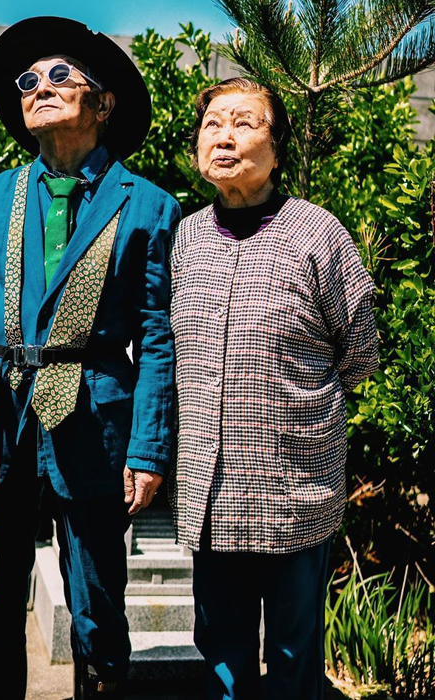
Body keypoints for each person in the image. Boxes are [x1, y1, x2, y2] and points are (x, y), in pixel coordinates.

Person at [0, 16, 179, 700]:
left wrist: (149, 448)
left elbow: (157, 336)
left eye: (60, 74)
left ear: (104, 102)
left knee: (97, 601)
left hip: (93, 416)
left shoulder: (148, 206)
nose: (39, 86)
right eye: (27, 80)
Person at [169, 78, 378, 700]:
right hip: (210, 491)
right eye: (212, 124)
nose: (224, 137)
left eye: (244, 122)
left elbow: (359, 354)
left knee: (293, 657)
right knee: (221, 653)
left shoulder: (318, 234)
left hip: (294, 489)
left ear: (277, 148)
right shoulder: (186, 238)